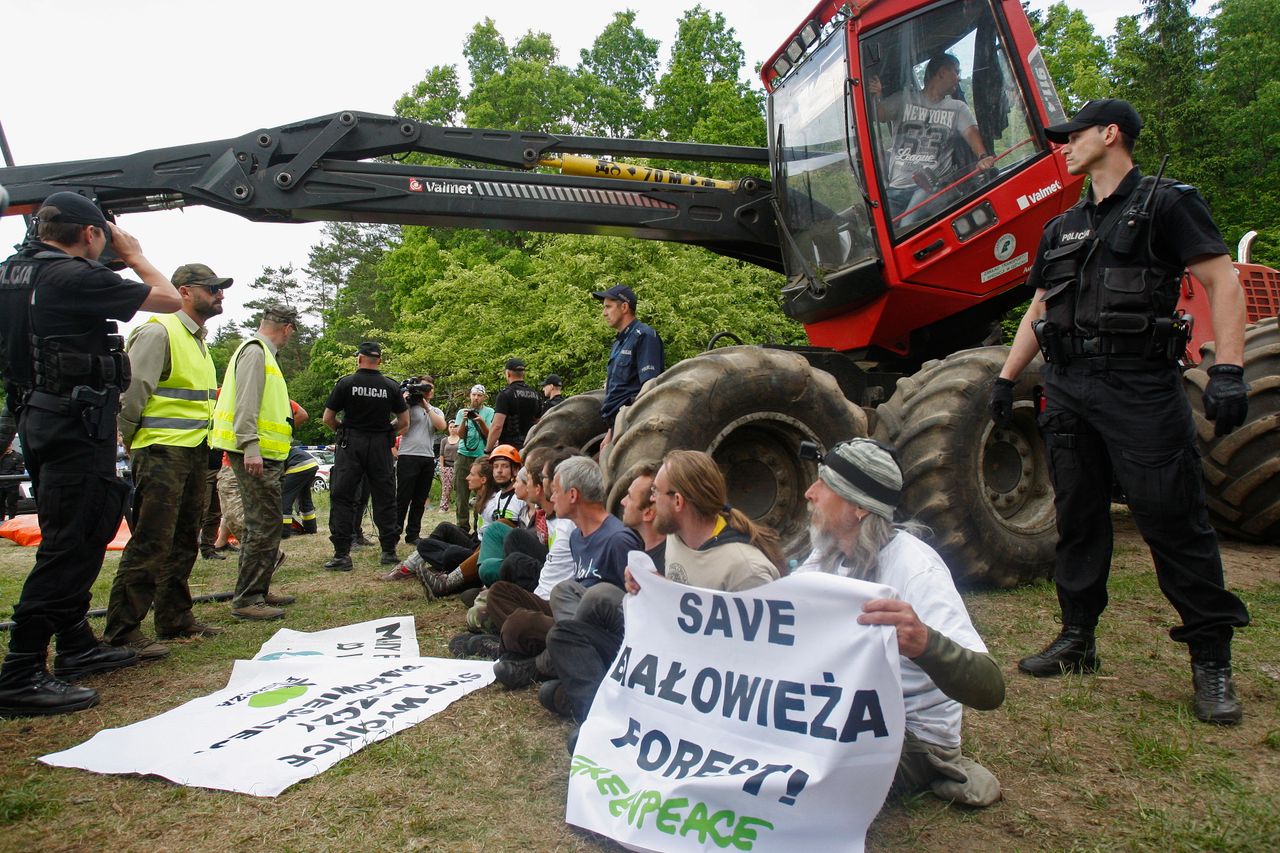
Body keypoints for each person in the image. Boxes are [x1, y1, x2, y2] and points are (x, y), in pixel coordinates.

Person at [990, 98, 1251, 725]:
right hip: (1070, 387)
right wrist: (1006, 377)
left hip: (1140, 388)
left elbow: (1223, 281)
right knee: (1078, 518)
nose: (1065, 146)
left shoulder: (1167, 202)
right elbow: (1042, 308)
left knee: (1172, 519)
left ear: (1111, 135)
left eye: (1074, 136)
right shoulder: (1064, 226)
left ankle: (1211, 660)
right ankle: (1077, 638)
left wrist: (1230, 370)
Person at [0, 192, 181, 717]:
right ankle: (21, 670)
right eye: (104, 233)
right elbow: (168, 298)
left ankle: (76, 645)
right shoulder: (72, 277)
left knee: (80, 528)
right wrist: (132, 252)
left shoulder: (14, 272)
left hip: (41, 416)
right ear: (90, 234)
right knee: (71, 541)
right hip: (74, 423)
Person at [794, 438, 1005, 807]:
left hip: (910, 736)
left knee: (797, 779)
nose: (810, 493)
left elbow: (990, 688)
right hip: (840, 711)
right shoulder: (828, 554)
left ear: (858, 506)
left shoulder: (915, 569)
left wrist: (925, 644)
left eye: (824, 485)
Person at [545, 450, 785, 719]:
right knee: (564, 635)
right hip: (664, 655)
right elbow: (683, 596)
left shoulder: (746, 570)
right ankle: (601, 716)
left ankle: (604, 716)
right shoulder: (676, 538)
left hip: (702, 687)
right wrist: (653, 586)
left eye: (656, 492)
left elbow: (760, 663)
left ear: (678, 501)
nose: (652, 500)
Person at [104, 263, 229, 659]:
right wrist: (130, 439)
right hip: (160, 450)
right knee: (151, 539)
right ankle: (123, 631)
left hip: (192, 451)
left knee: (183, 538)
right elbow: (133, 390)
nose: (220, 295)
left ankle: (174, 618)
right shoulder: (159, 331)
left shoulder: (198, 341)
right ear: (184, 291)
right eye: (213, 288)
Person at [490, 455, 641, 688]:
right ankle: (538, 653)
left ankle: (531, 661)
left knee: (520, 624)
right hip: (568, 617)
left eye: (556, 491)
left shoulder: (617, 540)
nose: (551, 497)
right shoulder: (575, 537)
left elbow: (630, 613)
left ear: (573, 495)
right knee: (500, 593)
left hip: (597, 632)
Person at [211, 304, 299, 621]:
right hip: (254, 452)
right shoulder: (256, 352)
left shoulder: (261, 353)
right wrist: (249, 446)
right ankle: (248, 598)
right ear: (287, 328)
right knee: (262, 525)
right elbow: (245, 401)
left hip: (265, 453)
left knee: (267, 524)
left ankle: (258, 590)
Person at [871, 53, 996, 224]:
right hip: (897, 187)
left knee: (908, 225)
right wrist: (877, 95)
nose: (958, 78)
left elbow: (971, 133)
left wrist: (983, 157)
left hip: (932, 187)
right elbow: (880, 115)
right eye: (956, 72)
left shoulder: (957, 108)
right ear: (942, 72)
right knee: (879, 230)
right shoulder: (904, 99)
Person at [322, 341, 410, 570]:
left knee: (343, 497)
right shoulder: (391, 386)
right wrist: (388, 431)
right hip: (380, 445)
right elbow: (404, 422)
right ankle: (389, 551)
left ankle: (342, 554)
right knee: (385, 496)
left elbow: (328, 418)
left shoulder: (346, 383)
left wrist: (343, 429)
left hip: (351, 443)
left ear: (359, 359)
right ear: (379, 360)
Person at [593, 284, 663, 438]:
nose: (604, 313)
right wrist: (611, 431)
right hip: (614, 424)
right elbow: (616, 391)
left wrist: (627, 423)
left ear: (624, 307)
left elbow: (649, 387)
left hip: (631, 423)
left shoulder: (645, 336)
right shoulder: (619, 342)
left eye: (608, 307)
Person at [396, 374, 446, 544]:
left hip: (427, 457)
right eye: (424, 387)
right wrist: (406, 402)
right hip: (408, 455)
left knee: (420, 499)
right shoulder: (408, 408)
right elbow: (399, 427)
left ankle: (413, 534)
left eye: (430, 388)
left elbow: (441, 426)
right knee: (403, 498)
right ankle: (394, 533)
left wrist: (425, 405)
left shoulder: (435, 410)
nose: (427, 391)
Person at [452, 384, 494, 532]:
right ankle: (462, 527)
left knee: (482, 493)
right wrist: (464, 420)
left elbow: (490, 434)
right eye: (474, 395)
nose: (476, 398)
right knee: (462, 494)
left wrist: (480, 420)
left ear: (484, 397)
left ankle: (479, 527)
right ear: (470, 395)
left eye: (479, 395)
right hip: (463, 455)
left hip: (481, 457)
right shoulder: (461, 412)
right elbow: (460, 435)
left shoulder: (489, 412)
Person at [486, 358, 543, 452]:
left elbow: (497, 426)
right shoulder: (535, 395)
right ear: (523, 374)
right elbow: (538, 424)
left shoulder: (505, 394)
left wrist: (488, 449)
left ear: (508, 373)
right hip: (529, 448)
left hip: (509, 450)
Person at [437, 421, 461, 513]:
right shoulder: (444, 440)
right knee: (446, 487)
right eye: (450, 427)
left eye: (454, 427)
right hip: (447, 466)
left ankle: (459, 505)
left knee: (459, 487)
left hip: (458, 465)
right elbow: (441, 454)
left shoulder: (461, 439)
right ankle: (443, 507)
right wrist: (442, 467)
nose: (452, 429)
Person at [0, 440, 22, 520]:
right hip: (0, 484)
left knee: (12, 504)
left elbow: (20, 470)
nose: (7, 447)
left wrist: (12, 480)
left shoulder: (18, 456)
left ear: (11, 445)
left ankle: (12, 520)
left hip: (12, 485)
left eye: (9, 445)